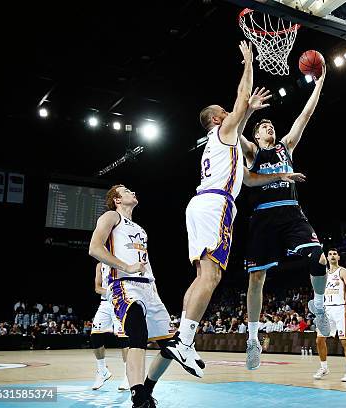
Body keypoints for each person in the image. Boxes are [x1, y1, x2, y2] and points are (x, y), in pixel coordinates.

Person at [165, 41, 305, 377]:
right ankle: (184, 341)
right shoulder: (223, 130)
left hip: (200, 204)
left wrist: (283, 173)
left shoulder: (223, 146)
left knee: (203, 275)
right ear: (216, 118)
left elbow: (253, 179)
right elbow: (242, 99)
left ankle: (182, 338)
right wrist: (249, 61)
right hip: (215, 205)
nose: (232, 114)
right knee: (212, 275)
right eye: (225, 112)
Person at [237, 64, 330, 371]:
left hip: (291, 215)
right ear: (257, 134)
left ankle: (318, 305)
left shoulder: (285, 147)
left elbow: (306, 115)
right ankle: (253, 339)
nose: (270, 128)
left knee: (318, 258)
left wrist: (320, 82)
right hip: (263, 218)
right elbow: (234, 132)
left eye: (271, 126)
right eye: (264, 127)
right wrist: (249, 110)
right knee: (256, 279)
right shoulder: (252, 152)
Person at [89, 185, 177, 408]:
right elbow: (94, 248)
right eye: (126, 191)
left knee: (173, 346)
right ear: (117, 200)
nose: (133, 192)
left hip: (149, 288)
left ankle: (147, 390)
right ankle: (138, 396)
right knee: (137, 332)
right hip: (124, 284)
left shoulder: (140, 229)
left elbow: (144, 264)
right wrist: (126, 267)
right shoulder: (111, 216)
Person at [313, 249, 346, 382]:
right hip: (326, 310)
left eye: (334, 254)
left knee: (344, 341)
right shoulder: (323, 274)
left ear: (338, 257)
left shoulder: (343, 271)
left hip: (340, 309)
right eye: (330, 254)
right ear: (327, 257)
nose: (332, 256)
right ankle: (324, 367)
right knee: (319, 340)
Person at [90, 262, 129, 391]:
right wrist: (111, 293)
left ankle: (128, 375)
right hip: (105, 303)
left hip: (120, 303)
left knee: (123, 338)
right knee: (95, 335)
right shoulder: (100, 265)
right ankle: (102, 371)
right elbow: (97, 288)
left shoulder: (121, 261)